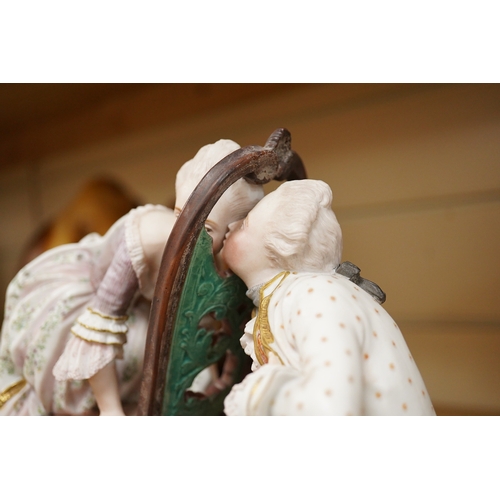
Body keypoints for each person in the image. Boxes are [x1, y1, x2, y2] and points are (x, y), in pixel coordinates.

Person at [0, 139, 264, 416]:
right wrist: (111, 412)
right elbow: (99, 329)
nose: (190, 235)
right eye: (183, 218)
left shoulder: (223, 251)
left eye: (214, 230)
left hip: (143, 311)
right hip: (96, 310)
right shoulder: (146, 241)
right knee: (136, 357)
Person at [221, 179, 436, 416]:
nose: (232, 225)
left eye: (245, 224)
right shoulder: (294, 293)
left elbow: (330, 404)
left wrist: (256, 394)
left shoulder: (314, 295)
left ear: (279, 247)